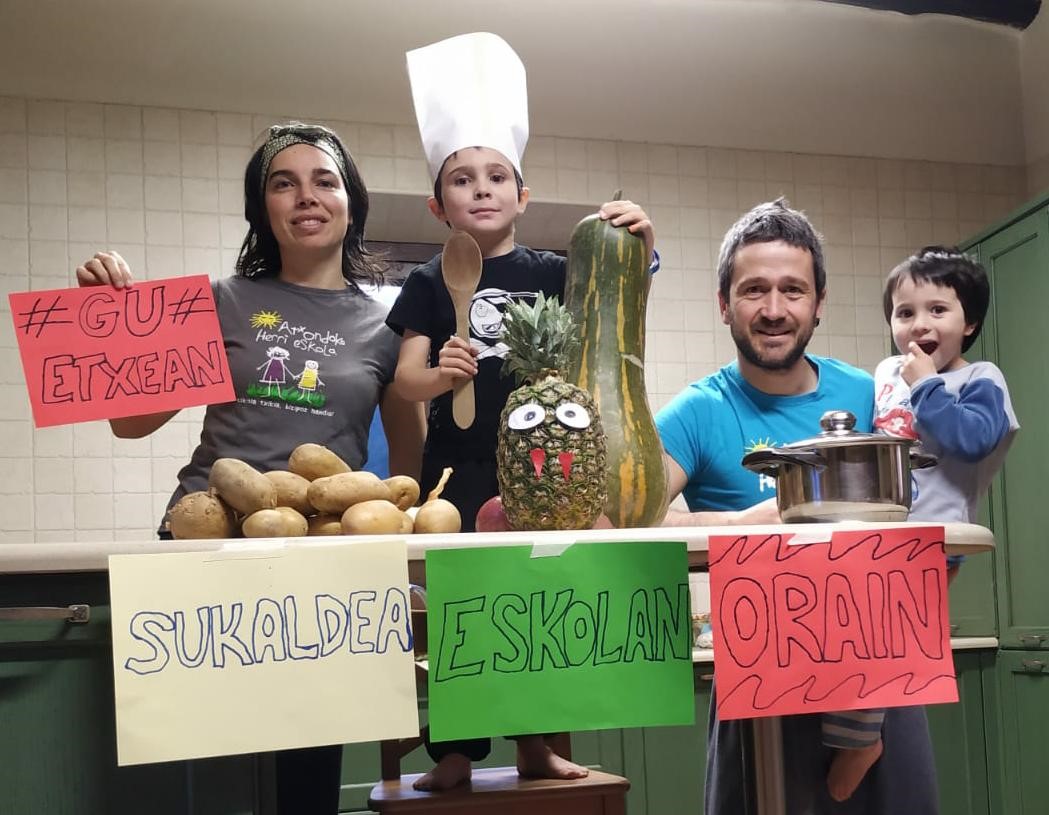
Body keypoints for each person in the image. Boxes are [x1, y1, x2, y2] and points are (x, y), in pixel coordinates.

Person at [75, 122, 425, 815]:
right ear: (262, 207)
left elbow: (407, 465)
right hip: (209, 539)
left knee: (306, 775)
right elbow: (130, 422)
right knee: (208, 766)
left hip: (323, 555)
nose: (306, 196)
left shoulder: (388, 324)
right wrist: (108, 317)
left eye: (324, 181)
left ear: (351, 201)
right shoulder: (220, 299)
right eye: (283, 183)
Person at [385, 32, 655, 793]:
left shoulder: (553, 272)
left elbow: (617, 305)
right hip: (458, 467)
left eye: (497, 176)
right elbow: (404, 380)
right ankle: (453, 752)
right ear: (438, 205)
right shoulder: (429, 281)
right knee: (461, 607)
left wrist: (641, 241)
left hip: (546, 465)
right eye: (462, 179)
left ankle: (535, 743)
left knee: (535, 602)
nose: (482, 189)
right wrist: (439, 374)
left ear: (522, 195)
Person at [656, 199, 941, 814]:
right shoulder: (697, 412)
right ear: (724, 303)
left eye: (793, 290)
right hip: (763, 691)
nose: (774, 309)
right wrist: (741, 524)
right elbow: (625, 518)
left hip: (884, 686)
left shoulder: (867, 393)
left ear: (819, 302)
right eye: (753, 289)